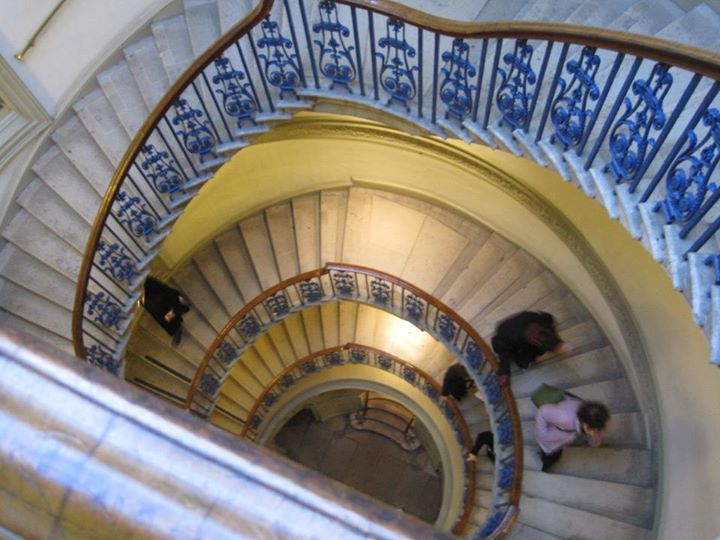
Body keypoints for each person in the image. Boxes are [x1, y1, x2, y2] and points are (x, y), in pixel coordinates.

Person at [491, 311, 567, 386]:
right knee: (523, 363)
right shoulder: (507, 334)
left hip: (525, 346)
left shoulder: (541, 322)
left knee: (526, 361)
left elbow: (550, 330)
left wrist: (556, 344)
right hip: (512, 344)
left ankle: (527, 358)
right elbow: (504, 353)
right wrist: (504, 371)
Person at [534, 400, 610, 472]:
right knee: (550, 458)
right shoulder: (563, 418)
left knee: (556, 453)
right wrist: (543, 434)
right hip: (549, 442)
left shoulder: (588, 413)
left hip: (560, 441)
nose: (595, 433)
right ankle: (545, 468)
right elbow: (542, 411)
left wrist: (596, 440)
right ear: (586, 425)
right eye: (595, 430)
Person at [141, 276, 190, 345]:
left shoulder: (149, 283)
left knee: (171, 312)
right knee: (162, 319)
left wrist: (177, 299)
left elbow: (165, 290)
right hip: (152, 304)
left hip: (163, 301)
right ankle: (176, 329)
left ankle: (179, 313)